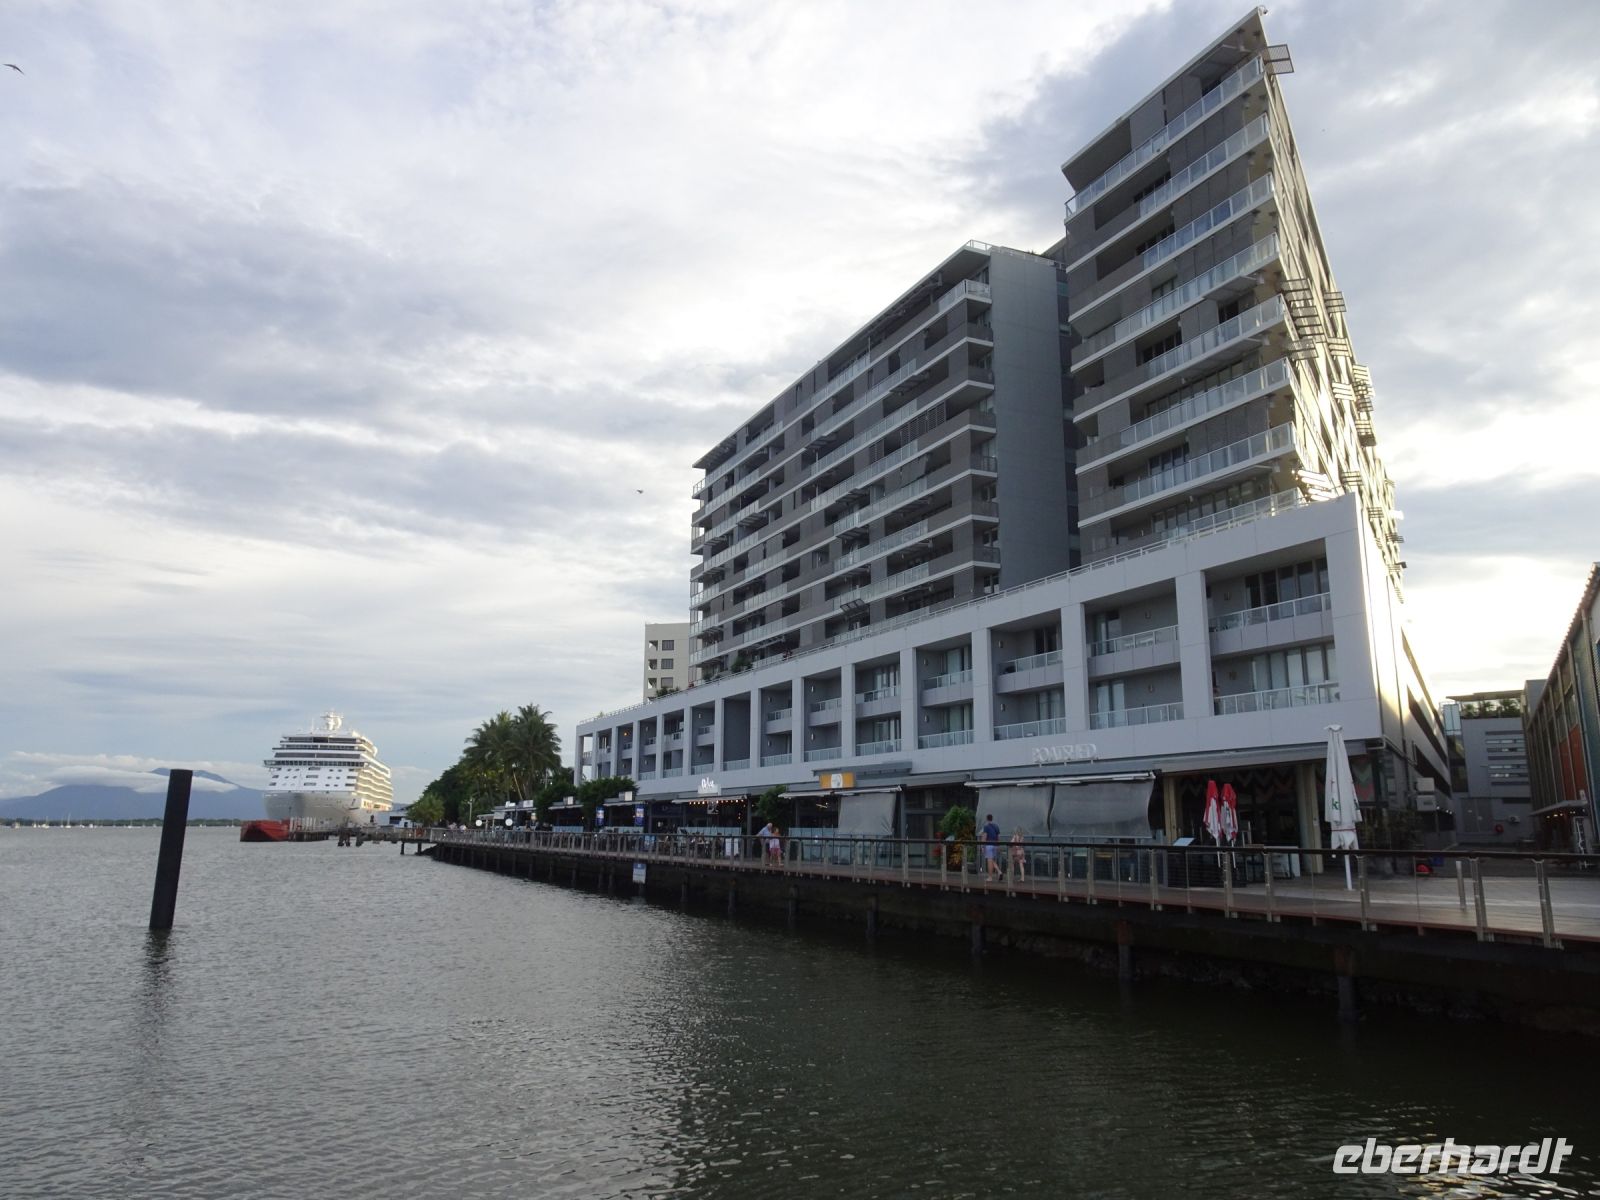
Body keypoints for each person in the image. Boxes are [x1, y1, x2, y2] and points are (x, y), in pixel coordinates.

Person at [981, 813, 1001, 879]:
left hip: (989, 845)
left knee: (989, 861)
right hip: (995, 845)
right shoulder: (996, 826)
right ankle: (999, 871)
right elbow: (998, 837)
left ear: (987, 819)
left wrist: (983, 846)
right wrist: (998, 846)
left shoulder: (986, 826)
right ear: (992, 818)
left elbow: (984, 836)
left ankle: (990, 877)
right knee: (992, 860)